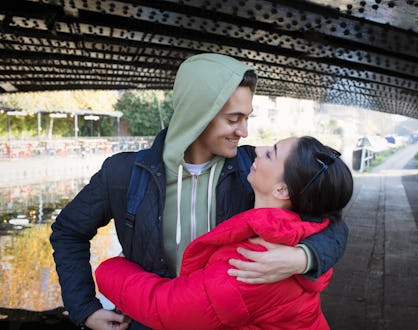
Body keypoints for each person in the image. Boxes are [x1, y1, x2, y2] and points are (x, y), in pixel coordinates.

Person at [50, 53, 349, 330]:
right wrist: (84, 308)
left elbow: (330, 222)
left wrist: (303, 257)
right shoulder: (121, 173)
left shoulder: (253, 172)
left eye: (247, 118)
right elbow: (68, 231)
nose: (244, 131)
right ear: (198, 115)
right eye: (234, 119)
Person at [95, 136, 354, 329]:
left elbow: (168, 309)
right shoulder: (300, 228)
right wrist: (306, 257)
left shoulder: (253, 262)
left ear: (282, 191)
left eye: (272, 153)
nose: (259, 148)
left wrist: (109, 270)